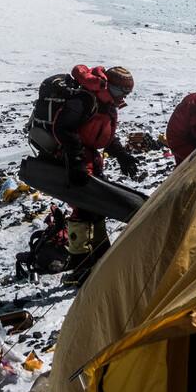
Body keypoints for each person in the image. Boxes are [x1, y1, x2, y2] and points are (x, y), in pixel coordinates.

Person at [48, 64, 139, 283]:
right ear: (108, 85)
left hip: (90, 159)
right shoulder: (86, 100)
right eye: (119, 92)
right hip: (72, 159)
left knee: (96, 208)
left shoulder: (106, 105)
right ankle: (81, 266)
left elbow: (103, 136)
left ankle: (100, 257)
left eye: (126, 94)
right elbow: (63, 129)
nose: (121, 97)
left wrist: (122, 155)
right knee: (83, 210)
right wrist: (76, 161)